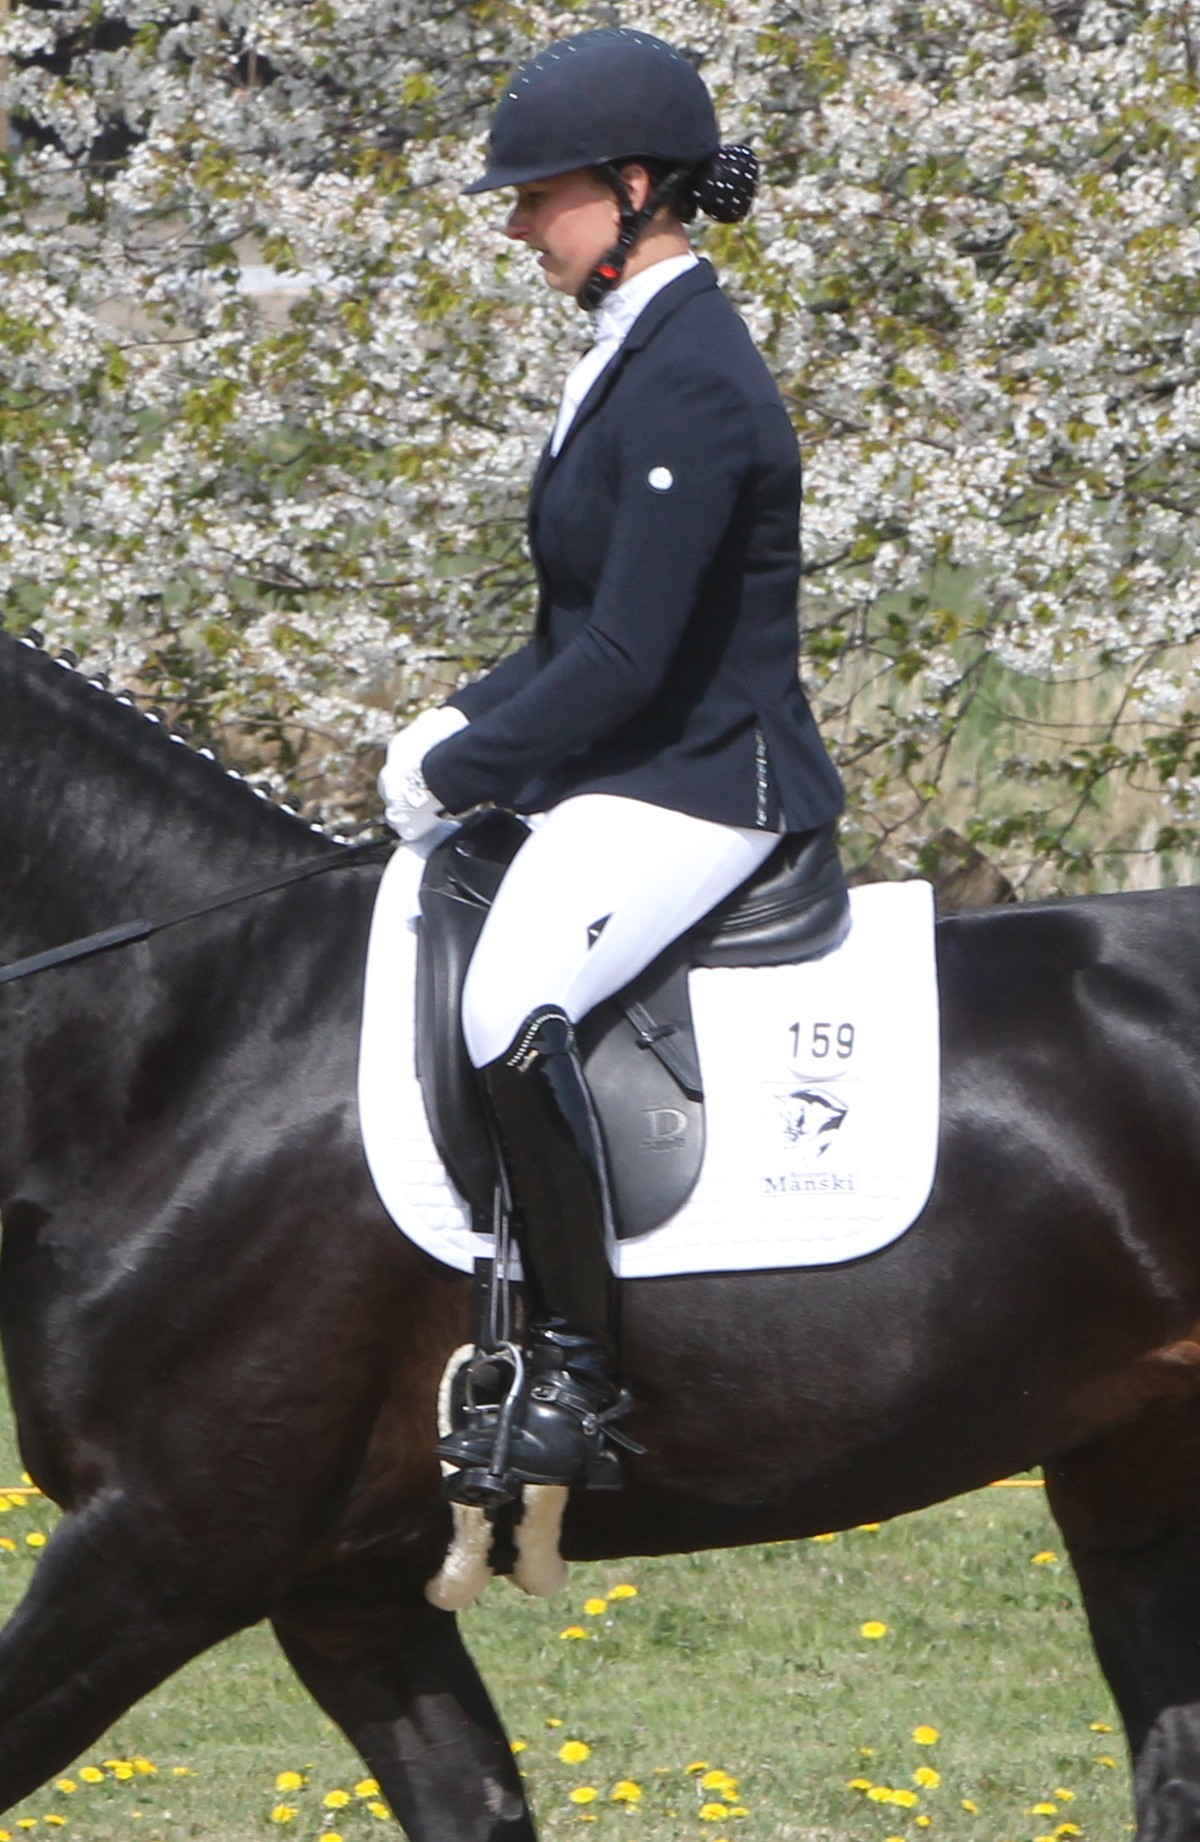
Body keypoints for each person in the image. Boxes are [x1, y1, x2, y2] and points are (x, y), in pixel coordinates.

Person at [385, 25, 844, 1505]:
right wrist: (453, 727)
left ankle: (579, 1372)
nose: (520, 223)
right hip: (636, 766)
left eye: (541, 194)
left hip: (709, 781)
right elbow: (572, 628)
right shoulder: (630, 357)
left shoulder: (694, 380)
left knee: (511, 1001)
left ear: (634, 189)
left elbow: (634, 662)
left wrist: (473, 771)